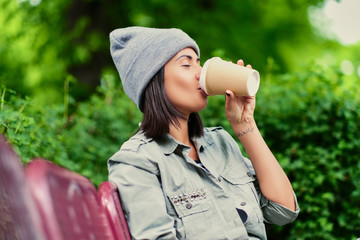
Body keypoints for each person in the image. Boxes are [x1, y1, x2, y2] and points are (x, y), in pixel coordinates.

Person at [108, 26, 299, 240]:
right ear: (153, 80)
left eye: (198, 62)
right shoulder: (137, 162)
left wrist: (245, 125)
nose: (200, 73)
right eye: (187, 64)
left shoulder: (220, 143)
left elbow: (283, 210)